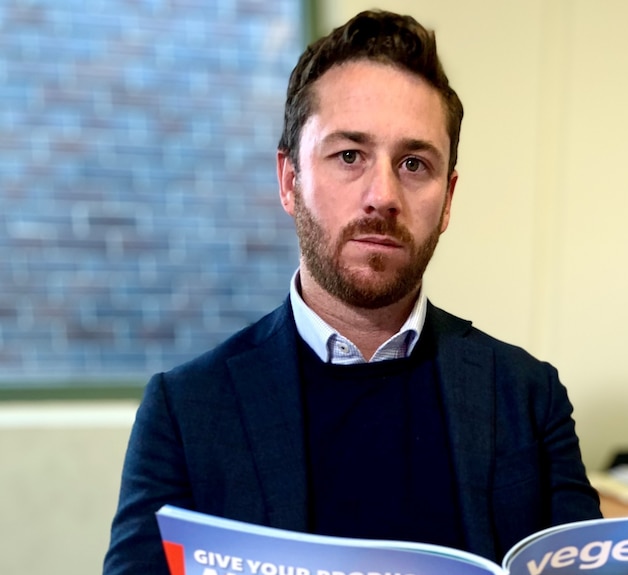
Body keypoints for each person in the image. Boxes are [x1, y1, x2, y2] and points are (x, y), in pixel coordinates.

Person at [103, 10, 601, 575]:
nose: (383, 195)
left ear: (448, 199)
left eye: (414, 163)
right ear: (290, 181)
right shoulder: (186, 412)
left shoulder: (529, 398)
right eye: (349, 155)